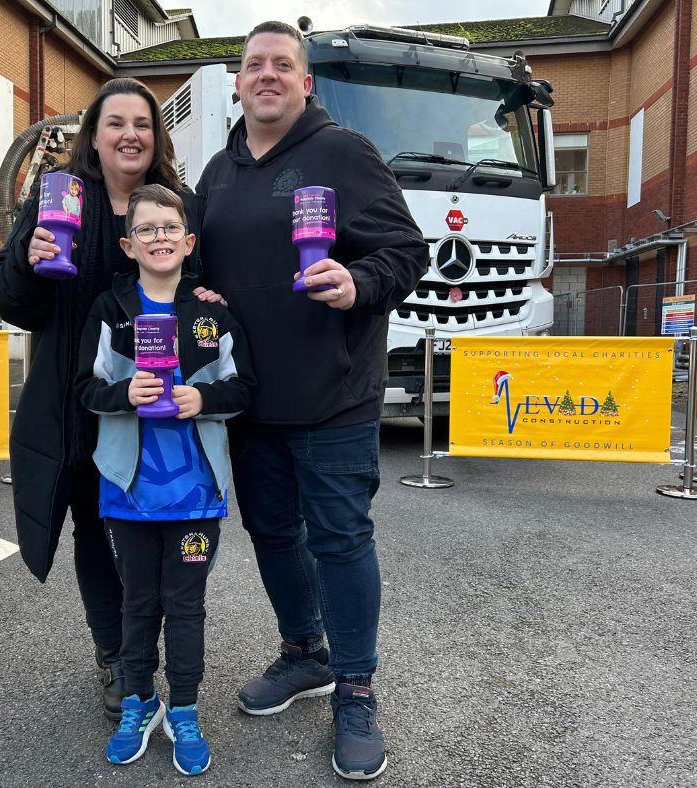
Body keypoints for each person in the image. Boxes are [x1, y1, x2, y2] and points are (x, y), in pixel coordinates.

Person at [195, 21, 429, 781]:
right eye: (253, 64)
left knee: (339, 540)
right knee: (270, 535)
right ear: (237, 82)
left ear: (305, 83)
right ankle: (305, 653)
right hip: (252, 400)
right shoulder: (218, 173)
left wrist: (358, 282)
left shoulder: (343, 153)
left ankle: (355, 688)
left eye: (282, 65)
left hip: (334, 395)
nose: (266, 75)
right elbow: (192, 260)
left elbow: (407, 251)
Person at [0, 78, 205, 721]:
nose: (130, 134)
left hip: (157, 411)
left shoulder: (175, 206)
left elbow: (201, 293)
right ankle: (117, 656)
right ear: (95, 136)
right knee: (93, 534)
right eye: (116, 123)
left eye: (143, 122)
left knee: (159, 531)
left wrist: (209, 307)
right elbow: (8, 296)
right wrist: (28, 258)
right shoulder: (59, 201)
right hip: (76, 404)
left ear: (157, 137)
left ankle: (165, 652)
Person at [75, 184, 254, 776]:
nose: (159, 238)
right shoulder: (111, 310)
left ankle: (184, 708)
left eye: (169, 228)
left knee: (186, 606)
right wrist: (123, 393)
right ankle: (137, 701)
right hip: (128, 493)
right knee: (137, 604)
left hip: (197, 495)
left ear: (189, 241)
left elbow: (243, 387)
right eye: (146, 229)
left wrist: (201, 397)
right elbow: (86, 387)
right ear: (128, 244)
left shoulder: (212, 313)